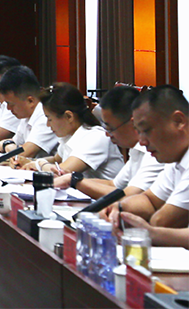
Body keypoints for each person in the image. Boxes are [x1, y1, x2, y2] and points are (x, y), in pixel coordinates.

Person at [53, 86, 163, 199]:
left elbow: (129, 195)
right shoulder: (136, 149)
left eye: (111, 129)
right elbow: (114, 185)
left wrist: (74, 181)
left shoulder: (155, 152)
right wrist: (72, 178)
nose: (107, 134)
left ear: (133, 123)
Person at [108, 85, 189, 233]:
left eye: (146, 130)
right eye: (139, 132)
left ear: (178, 121)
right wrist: (118, 207)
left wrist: (150, 230)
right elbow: (150, 200)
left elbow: (162, 221)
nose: (142, 142)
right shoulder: (175, 158)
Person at [18, 83, 124, 179]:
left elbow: (61, 172)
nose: (48, 125)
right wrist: (29, 162)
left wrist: (38, 164)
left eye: (49, 119)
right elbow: (56, 159)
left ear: (69, 116)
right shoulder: (69, 135)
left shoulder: (96, 137)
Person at [0, 65, 58, 159]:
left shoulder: (45, 115)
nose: (8, 108)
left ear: (30, 101)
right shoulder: (26, 115)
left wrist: (6, 146)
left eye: (11, 104)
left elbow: (24, 153)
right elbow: (15, 142)